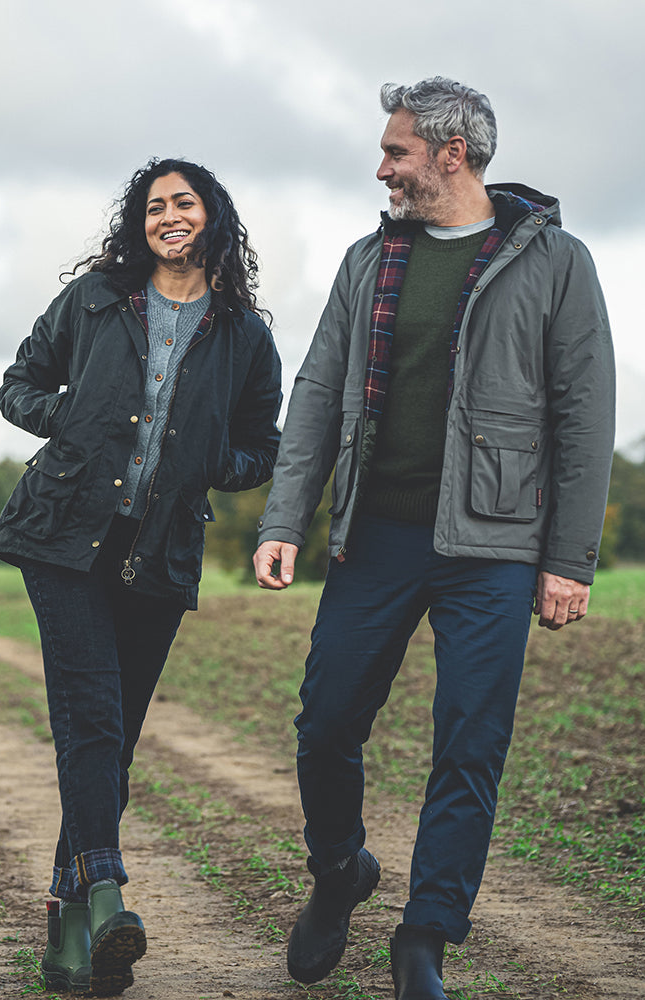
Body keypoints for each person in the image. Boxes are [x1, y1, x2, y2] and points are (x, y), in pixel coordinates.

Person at [252, 78, 614, 999]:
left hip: (493, 546)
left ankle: (426, 936)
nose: (382, 167)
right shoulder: (367, 260)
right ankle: (340, 871)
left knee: (470, 742)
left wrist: (567, 559)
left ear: (452, 153)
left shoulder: (557, 261)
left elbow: (584, 416)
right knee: (326, 722)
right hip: (375, 538)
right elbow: (316, 397)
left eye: (397, 151)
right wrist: (287, 518)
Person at [0, 158, 282, 996]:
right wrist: (71, 425)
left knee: (114, 738)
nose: (169, 216)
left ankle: (66, 920)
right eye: (155, 206)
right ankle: (109, 891)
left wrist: (200, 467)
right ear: (138, 223)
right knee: (91, 717)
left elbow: (261, 445)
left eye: (184, 202)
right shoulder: (93, 300)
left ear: (212, 217)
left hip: (160, 553)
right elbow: (18, 386)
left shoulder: (245, 335)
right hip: (63, 537)